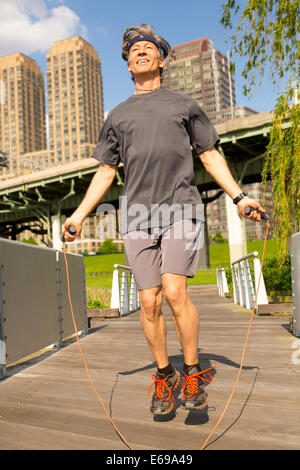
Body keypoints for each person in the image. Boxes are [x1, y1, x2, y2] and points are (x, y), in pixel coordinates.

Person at [63, 24, 266, 416]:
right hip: (137, 215)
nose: (140, 52)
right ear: (128, 66)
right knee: (147, 301)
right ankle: (164, 375)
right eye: (133, 50)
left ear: (162, 58)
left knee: (174, 293)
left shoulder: (185, 105)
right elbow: (105, 172)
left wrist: (239, 198)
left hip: (181, 208)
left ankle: (192, 372)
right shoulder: (117, 116)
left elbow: (209, 155)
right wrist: (77, 216)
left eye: (147, 48)